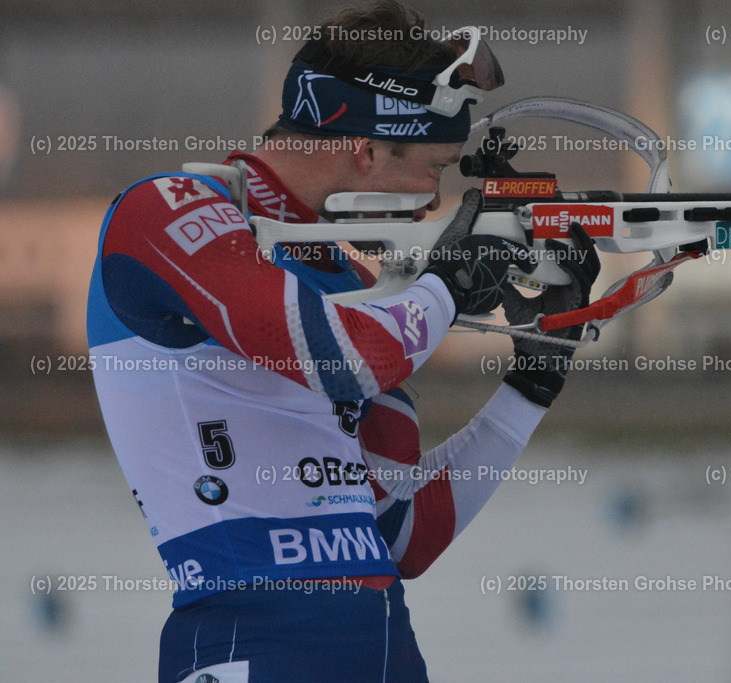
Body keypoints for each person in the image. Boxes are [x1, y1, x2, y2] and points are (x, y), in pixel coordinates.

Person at [86, 2, 598, 681]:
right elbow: (347, 358)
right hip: (248, 639)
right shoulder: (164, 210)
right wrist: (445, 281)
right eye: (435, 170)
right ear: (365, 149)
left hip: (385, 647)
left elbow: (402, 531)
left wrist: (531, 384)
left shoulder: (351, 278)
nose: (429, 206)